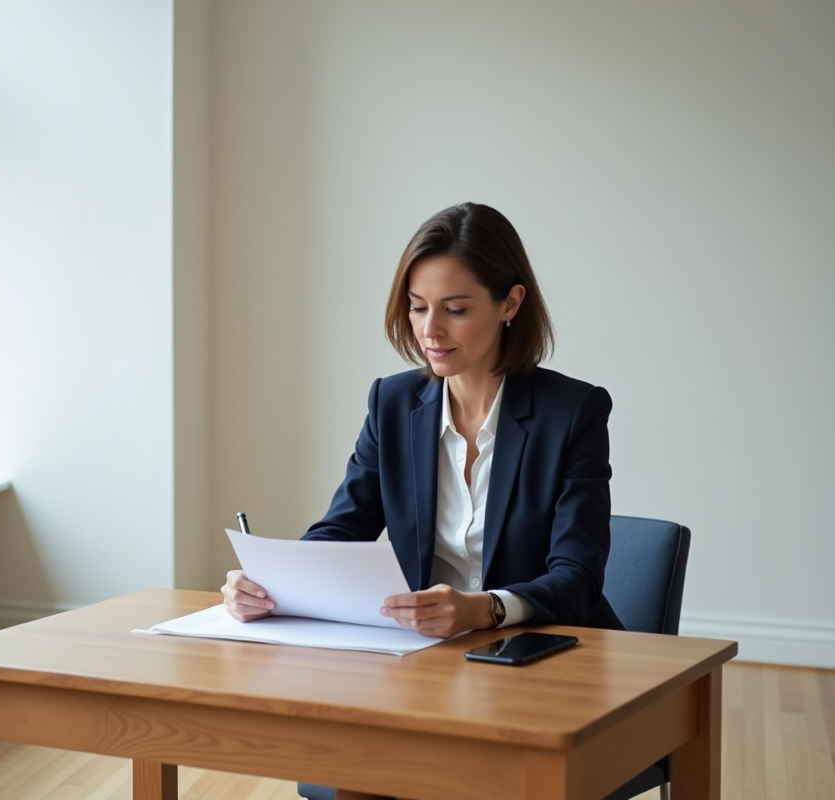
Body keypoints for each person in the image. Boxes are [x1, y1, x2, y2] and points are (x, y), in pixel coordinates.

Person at [221, 202, 622, 800]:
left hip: (538, 666)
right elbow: (342, 529)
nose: (429, 331)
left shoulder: (575, 413)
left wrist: (482, 608)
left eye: (456, 310)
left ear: (510, 304)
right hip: (422, 666)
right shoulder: (393, 403)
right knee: (358, 765)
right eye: (417, 307)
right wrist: (267, 581)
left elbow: (578, 577)